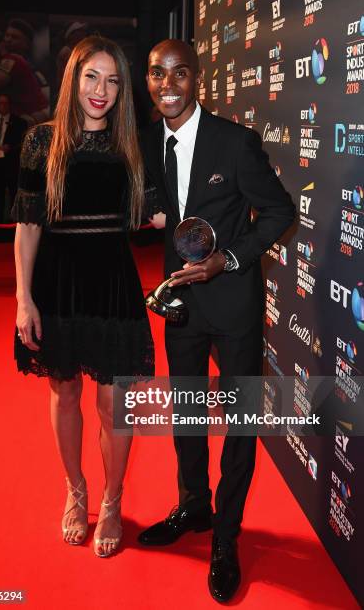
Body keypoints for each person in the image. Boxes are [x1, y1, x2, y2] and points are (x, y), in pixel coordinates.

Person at [139, 40, 295, 602]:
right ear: (149, 80)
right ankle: (194, 507)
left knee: (240, 424)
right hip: (180, 305)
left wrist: (226, 260)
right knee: (186, 414)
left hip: (231, 303)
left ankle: (226, 538)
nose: (168, 82)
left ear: (198, 78)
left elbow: (280, 210)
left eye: (179, 72)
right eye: (157, 73)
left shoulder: (234, 142)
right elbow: (160, 207)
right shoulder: (149, 141)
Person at [12, 35, 154, 558]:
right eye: (93, 76)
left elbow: (159, 212)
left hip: (114, 283)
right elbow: (27, 228)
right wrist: (24, 299)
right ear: (73, 79)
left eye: (113, 80)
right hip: (59, 283)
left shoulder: (132, 145)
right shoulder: (40, 142)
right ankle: (77, 490)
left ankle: (113, 500)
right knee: (64, 392)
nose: (102, 90)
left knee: (115, 405)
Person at [0, 94, 27, 223]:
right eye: (1, 103)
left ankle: (13, 222)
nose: (3, 106)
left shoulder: (20, 122)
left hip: (11, 163)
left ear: (10, 105)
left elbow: (22, 142)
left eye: (6, 103)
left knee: (13, 193)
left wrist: (10, 147)